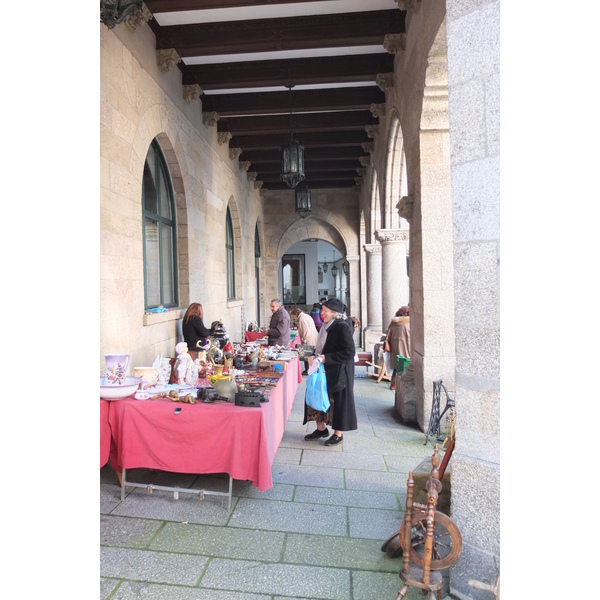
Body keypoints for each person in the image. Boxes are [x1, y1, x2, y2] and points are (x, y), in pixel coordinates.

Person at [304, 297, 357, 446]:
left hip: (340, 371)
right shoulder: (326, 326)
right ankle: (321, 429)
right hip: (324, 369)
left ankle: (338, 434)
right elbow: (322, 346)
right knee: (316, 395)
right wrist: (314, 355)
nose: (322, 313)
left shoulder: (342, 326)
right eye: (323, 310)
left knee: (337, 402)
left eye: (325, 311)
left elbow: (349, 352)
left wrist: (326, 358)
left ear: (334, 313)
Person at [385, 306, 410, 390]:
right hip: (406, 348)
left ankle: (393, 384)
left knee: (396, 368)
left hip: (394, 349)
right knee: (405, 367)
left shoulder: (393, 323)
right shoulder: (408, 324)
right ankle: (402, 386)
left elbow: (387, 335)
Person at [290, 307, 319, 375]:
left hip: (309, 339)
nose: (293, 318)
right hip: (313, 337)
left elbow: (306, 331)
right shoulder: (305, 316)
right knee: (310, 354)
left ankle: (308, 370)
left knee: (307, 354)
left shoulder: (302, 319)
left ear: (296, 314)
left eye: (293, 316)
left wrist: (304, 340)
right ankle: (310, 369)